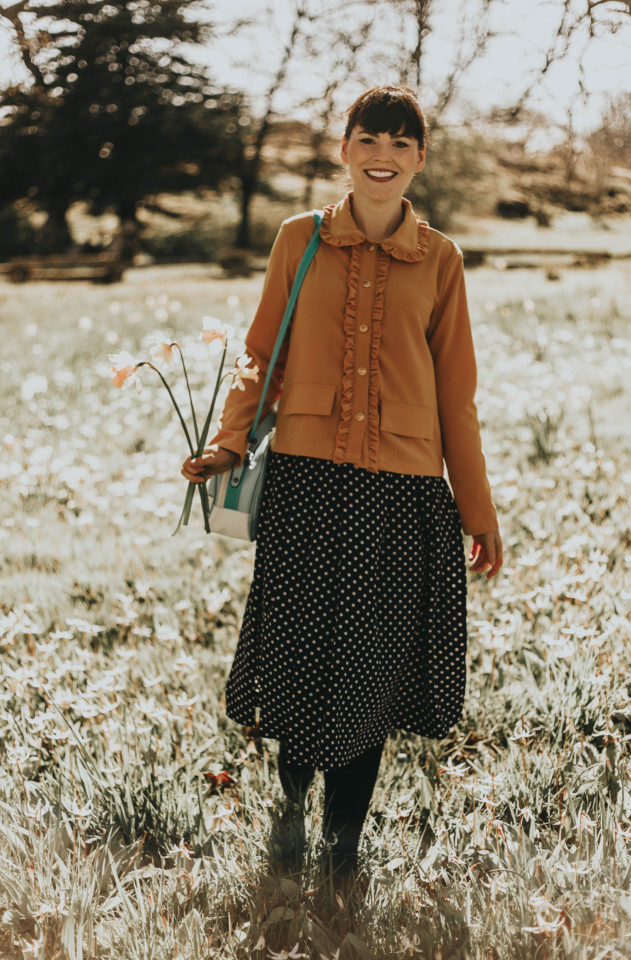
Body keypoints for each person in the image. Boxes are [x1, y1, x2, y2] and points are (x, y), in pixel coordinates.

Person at [181, 85, 503, 882]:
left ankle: (343, 846)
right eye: (369, 139)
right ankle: (290, 812)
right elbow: (263, 354)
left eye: (401, 143)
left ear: (420, 159)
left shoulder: (443, 260)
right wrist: (226, 444)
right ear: (345, 148)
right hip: (303, 486)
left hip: (402, 500)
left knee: (371, 671)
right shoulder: (300, 240)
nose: (383, 155)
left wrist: (479, 511)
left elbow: (455, 395)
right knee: (298, 661)